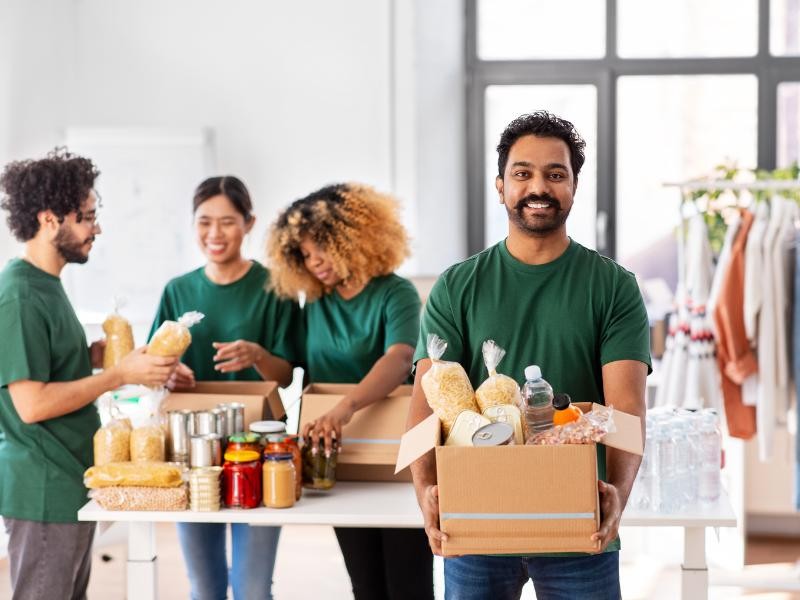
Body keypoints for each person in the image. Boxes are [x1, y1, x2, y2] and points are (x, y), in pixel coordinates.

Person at [407, 112, 651, 600]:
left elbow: (625, 410)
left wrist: (617, 498)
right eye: (523, 173)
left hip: (579, 519)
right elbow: (426, 404)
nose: (538, 186)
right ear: (501, 187)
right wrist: (427, 494)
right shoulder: (458, 286)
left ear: (574, 187)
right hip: (477, 518)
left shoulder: (612, 287)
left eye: (555, 174)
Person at [0, 148, 178, 600]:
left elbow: (50, 368)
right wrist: (117, 375)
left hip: (66, 480)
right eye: (86, 217)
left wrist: (99, 355)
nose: (96, 228)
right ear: (48, 219)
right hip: (43, 488)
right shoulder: (20, 295)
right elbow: (32, 403)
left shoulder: (47, 286)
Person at [267, 183, 434, 600]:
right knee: (365, 585)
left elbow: (399, 360)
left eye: (320, 246)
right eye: (304, 254)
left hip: (394, 453)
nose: (314, 261)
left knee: (408, 585)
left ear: (351, 237)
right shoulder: (317, 302)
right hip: (338, 455)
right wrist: (257, 354)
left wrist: (346, 407)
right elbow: (293, 370)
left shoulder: (394, 292)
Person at [150, 175, 302, 600]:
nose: (214, 234)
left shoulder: (275, 288)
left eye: (227, 222)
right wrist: (168, 372)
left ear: (249, 223)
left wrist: (257, 355)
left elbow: (287, 374)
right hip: (189, 451)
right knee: (204, 588)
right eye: (204, 222)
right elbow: (152, 365)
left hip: (257, 448)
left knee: (253, 589)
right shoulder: (177, 290)